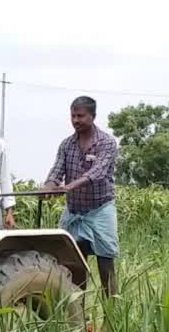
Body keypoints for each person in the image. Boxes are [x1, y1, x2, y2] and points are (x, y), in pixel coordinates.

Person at [43, 96, 120, 298]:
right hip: (74, 212)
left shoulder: (106, 143)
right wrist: (49, 187)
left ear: (92, 116)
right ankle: (79, 318)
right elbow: (56, 171)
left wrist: (68, 187)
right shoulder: (67, 145)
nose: (76, 120)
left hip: (100, 210)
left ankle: (113, 315)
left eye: (81, 116)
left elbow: (97, 173)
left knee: (106, 264)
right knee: (74, 265)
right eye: (73, 116)